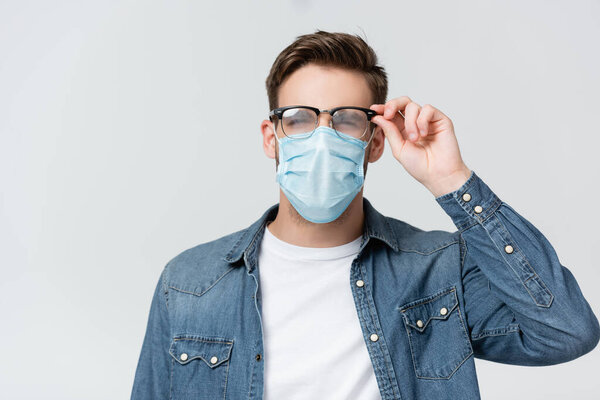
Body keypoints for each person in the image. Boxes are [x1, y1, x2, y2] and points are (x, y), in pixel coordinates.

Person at [130, 30, 599, 400]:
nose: (322, 136)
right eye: (299, 118)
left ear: (375, 141)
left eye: (346, 119)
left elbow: (567, 331)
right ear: (271, 137)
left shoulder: (437, 270)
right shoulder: (189, 283)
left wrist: (451, 180)